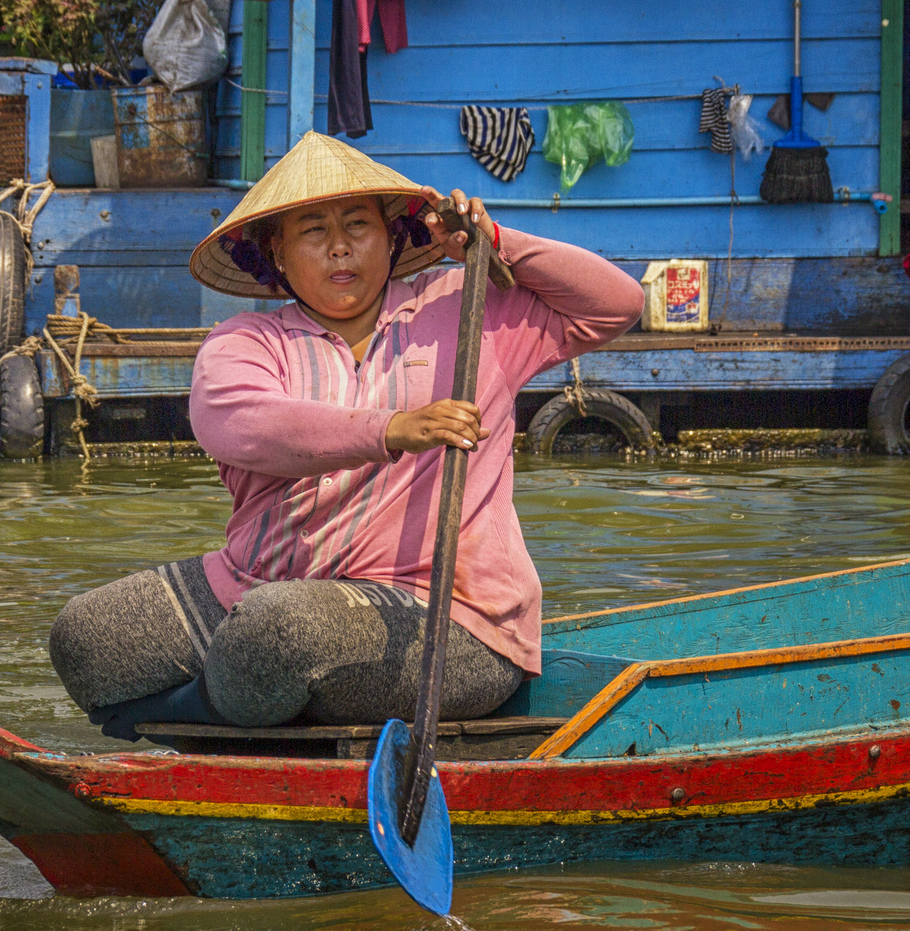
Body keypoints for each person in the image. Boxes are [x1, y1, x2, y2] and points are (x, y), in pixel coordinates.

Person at [48, 131, 645, 741]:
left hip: (448, 616)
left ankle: (198, 712)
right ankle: (251, 702)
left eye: (357, 225)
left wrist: (494, 245)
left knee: (276, 636)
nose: (339, 248)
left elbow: (617, 302)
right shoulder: (246, 341)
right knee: (89, 635)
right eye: (313, 231)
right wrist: (389, 430)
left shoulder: (470, 308)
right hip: (259, 583)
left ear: (391, 236)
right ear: (277, 254)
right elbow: (240, 423)